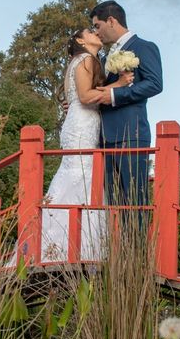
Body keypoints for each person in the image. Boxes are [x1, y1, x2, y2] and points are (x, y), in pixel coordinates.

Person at [38, 28, 133, 262]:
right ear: (81, 40)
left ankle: (61, 244)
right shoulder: (86, 58)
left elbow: (79, 97)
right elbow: (85, 97)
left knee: (79, 175)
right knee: (83, 175)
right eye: (90, 31)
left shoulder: (81, 60)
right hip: (81, 126)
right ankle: (80, 249)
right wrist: (119, 84)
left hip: (80, 123)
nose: (96, 33)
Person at [89, 0, 163, 214]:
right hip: (103, 139)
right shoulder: (103, 57)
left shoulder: (144, 47)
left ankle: (137, 249)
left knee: (134, 203)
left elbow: (155, 84)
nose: (96, 32)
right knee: (110, 205)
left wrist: (115, 94)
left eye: (97, 25)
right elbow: (97, 90)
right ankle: (114, 248)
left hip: (131, 134)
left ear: (111, 21)